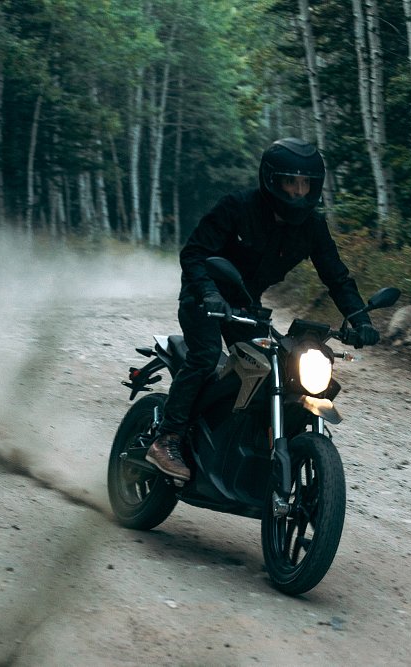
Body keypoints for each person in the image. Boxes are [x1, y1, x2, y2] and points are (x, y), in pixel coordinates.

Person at [145, 137, 380, 481]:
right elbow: (193, 253)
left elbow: (337, 277)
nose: (299, 191)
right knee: (205, 355)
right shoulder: (236, 207)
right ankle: (167, 438)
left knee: (274, 366)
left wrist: (360, 318)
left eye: (306, 184)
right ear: (272, 180)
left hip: (245, 305)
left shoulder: (312, 226)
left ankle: (247, 443)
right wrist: (209, 292)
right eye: (291, 182)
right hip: (204, 298)